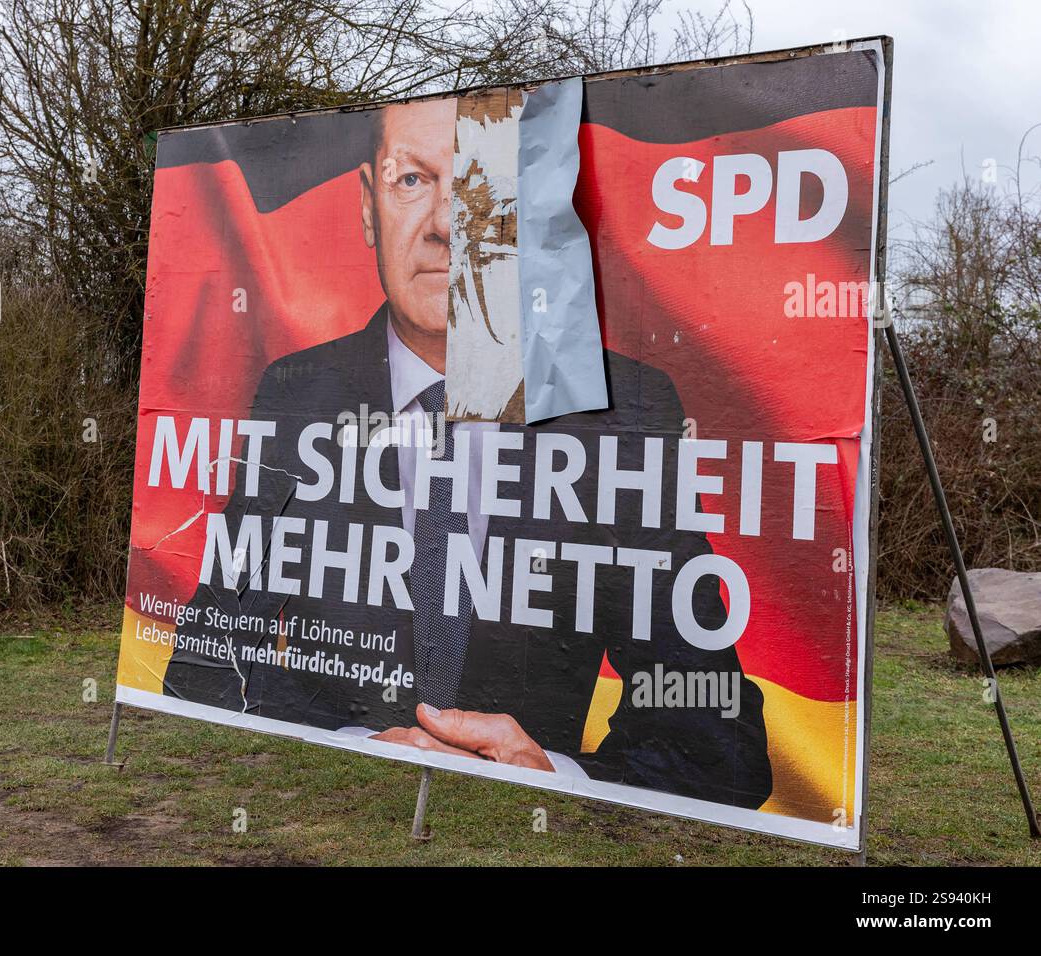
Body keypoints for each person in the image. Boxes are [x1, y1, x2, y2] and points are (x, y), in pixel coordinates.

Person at [162, 98, 772, 810]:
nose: (447, 225)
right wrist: (346, 747)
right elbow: (203, 665)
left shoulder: (621, 413)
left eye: (483, 192)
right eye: (413, 181)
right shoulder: (297, 393)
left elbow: (721, 745)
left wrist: (557, 777)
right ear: (369, 206)